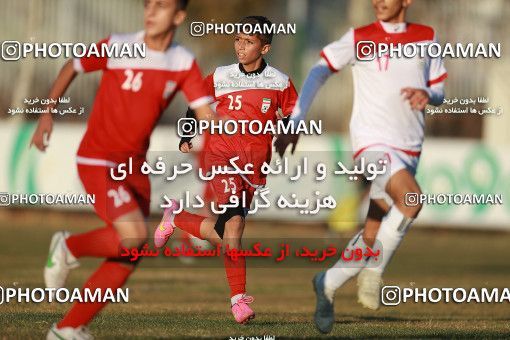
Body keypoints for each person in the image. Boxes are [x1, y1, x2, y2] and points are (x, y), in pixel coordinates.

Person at [31, 1, 214, 338]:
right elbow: (73, 65)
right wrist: (47, 113)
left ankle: (67, 329)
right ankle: (68, 247)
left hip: (133, 168)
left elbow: (206, 115)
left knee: (131, 251)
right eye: (148, 4)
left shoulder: (183, 62)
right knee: (134, 236)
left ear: (178, 17)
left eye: (161, 6)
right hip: (98, 159)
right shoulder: (118, 44)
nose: (151, 10)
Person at [275, 0, 447, 333]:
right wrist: (295, 121)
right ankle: (374, 272)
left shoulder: (428, 36)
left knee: (371, 235)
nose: (378, 2)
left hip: (410, 148)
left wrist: (427, 93)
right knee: (412, 200)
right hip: (371, 145)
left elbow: (438, 89)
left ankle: (326, 283)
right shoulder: (359, 37)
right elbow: (319, 69)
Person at [154, 15, 298, 324]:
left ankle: (177, 217)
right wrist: (186, 133)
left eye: (249, 42)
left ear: (266, 47)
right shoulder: (220, 76)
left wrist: (288, 134)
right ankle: (238, 301)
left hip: (254, 165)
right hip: (221, 157)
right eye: (238, 40)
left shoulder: (281, 82)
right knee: (234, 227)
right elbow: (195, 103)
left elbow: (292, 116)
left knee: (223, 231)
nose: (241, 47)